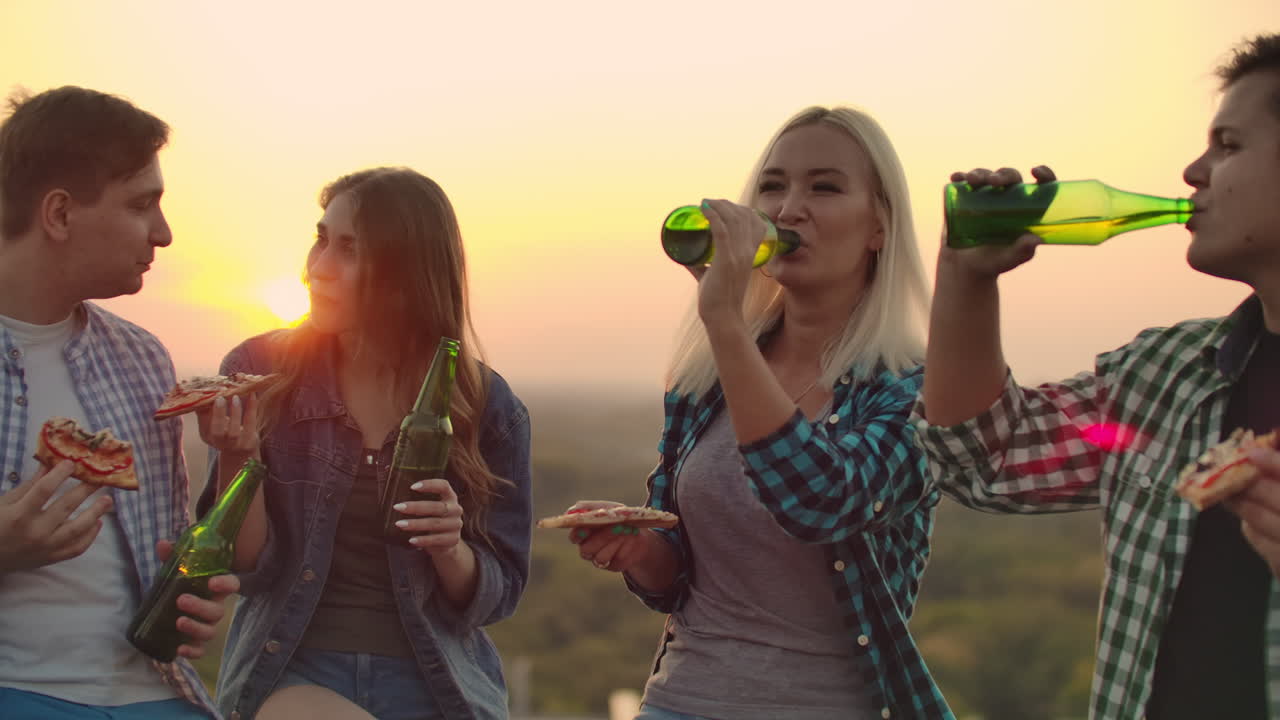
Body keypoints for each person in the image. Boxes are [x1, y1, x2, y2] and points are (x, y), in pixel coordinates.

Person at [914, 33, 1280, 719]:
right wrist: (965, 278)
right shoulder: (1166, 375)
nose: (1193, 171)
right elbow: (985, 459)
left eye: (1228, 146)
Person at [566, 106, 952, 719]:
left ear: (879, 226)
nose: (789, 208)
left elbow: (822, 500)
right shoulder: (703, 380)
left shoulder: (919, 390)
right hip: (682, 701)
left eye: (824, 187)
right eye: (773, 186)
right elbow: (680, 577)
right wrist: (640, 549)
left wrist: (723, 321)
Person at [197, 167, 532, 720]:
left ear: (406, 272)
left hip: (439, 682)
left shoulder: (485, 405)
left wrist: (450, 548)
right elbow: (245, 568)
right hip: (292, 675)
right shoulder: (260, 371)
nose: (319, 269)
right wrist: (239, 457)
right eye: (321, 240)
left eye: (349, 250)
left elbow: (499, 593)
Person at [0, 86, 234, 719]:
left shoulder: (141, 358)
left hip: (159, 690)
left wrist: (188, 597)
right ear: (58, 214)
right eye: (141, 205)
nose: (164, 233)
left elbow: (169, 542)